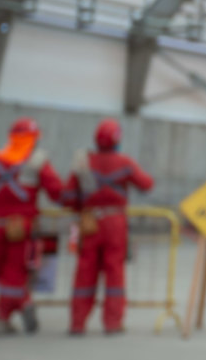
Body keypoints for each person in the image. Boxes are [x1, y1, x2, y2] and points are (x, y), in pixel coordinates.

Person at [65, 118, 155, 335]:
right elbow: (146, 184)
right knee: (115, 272)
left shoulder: (83, 162)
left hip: (89, 223)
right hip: (115, 223)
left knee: (85, 272)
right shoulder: (124, 162)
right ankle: (112, 323)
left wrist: (83, 206)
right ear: (117, 140)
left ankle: (78, 323)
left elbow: (67, 196)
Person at [0, 116, 64, 335]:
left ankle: (3, 317)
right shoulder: (37, 162)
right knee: (14, 273)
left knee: (2, 273)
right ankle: (20, 305)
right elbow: (57, 192)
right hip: (20, 228)